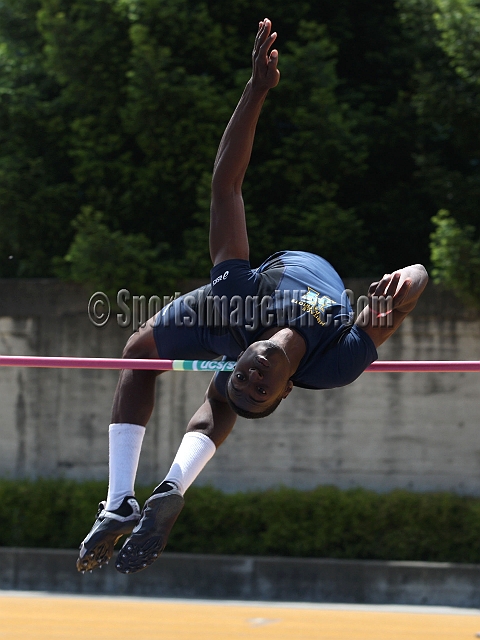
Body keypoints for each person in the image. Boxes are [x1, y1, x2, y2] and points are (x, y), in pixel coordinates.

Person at [76, 18, 428, 575]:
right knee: (183, 379)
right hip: (251, 312)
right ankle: (147, 493)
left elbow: (226, 186)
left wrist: (256, 90)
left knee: (144, 352)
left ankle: (129, 499)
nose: (252, 377)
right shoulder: (333, 363)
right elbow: (413, 282)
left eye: (245, 378)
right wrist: (408, 283)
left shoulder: (234, 293)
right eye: (261, 387)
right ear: (288, 391)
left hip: (236, 312)